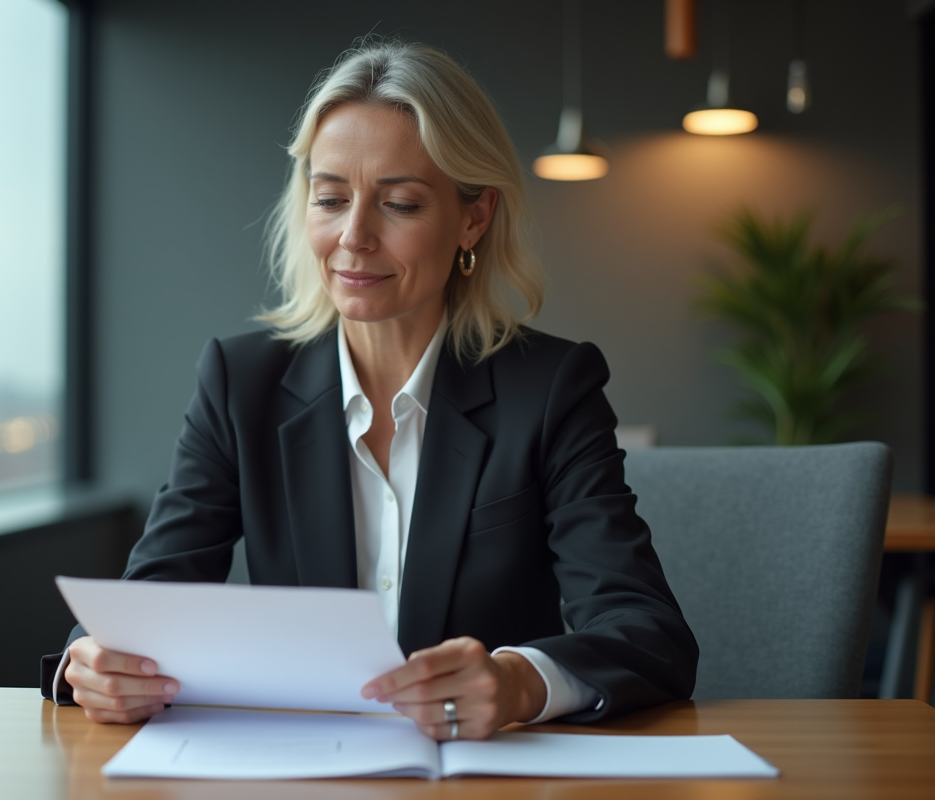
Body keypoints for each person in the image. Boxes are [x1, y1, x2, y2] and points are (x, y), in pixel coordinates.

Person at [40, 39, 697, 741]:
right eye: (330, 199)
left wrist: (518, 682)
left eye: (401, 204)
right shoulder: (242, 384)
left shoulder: (551, 388)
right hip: (303, 770)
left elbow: (648, 632)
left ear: (473, 217)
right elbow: (146, 604)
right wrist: (93, 661)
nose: (353, 237)